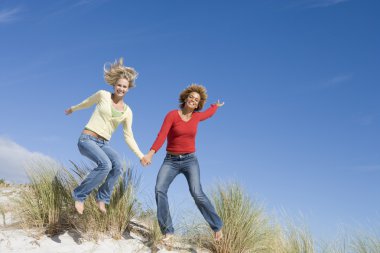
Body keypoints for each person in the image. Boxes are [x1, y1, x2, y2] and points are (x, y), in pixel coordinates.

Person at [65, 58, 148, 215]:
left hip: (104, 144)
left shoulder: (128, 111)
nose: (121, 88)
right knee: (105, 165)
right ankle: (79, 196)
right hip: (87, 139)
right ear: (114, 85)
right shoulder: (102, 95)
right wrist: (73, 109)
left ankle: (102, 198)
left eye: (124, 87)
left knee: (117, 166)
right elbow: (87, 102)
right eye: (119, 85)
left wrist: (141, 156)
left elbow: (128, 136)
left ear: (128, 89)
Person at [143, 84, 224, 242]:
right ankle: (168, 231)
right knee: (160, 189)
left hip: (190, 160)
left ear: (198, 104)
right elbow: (162, 135)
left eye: (197, 100)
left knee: (196, 192)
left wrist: (215, 106)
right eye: (191, 97)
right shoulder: (172, 115)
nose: (193, 100)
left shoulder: (197, 117)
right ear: (185, 98)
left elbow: (209, 113)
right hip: (171, 160)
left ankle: (217, 226)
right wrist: (150, 153)